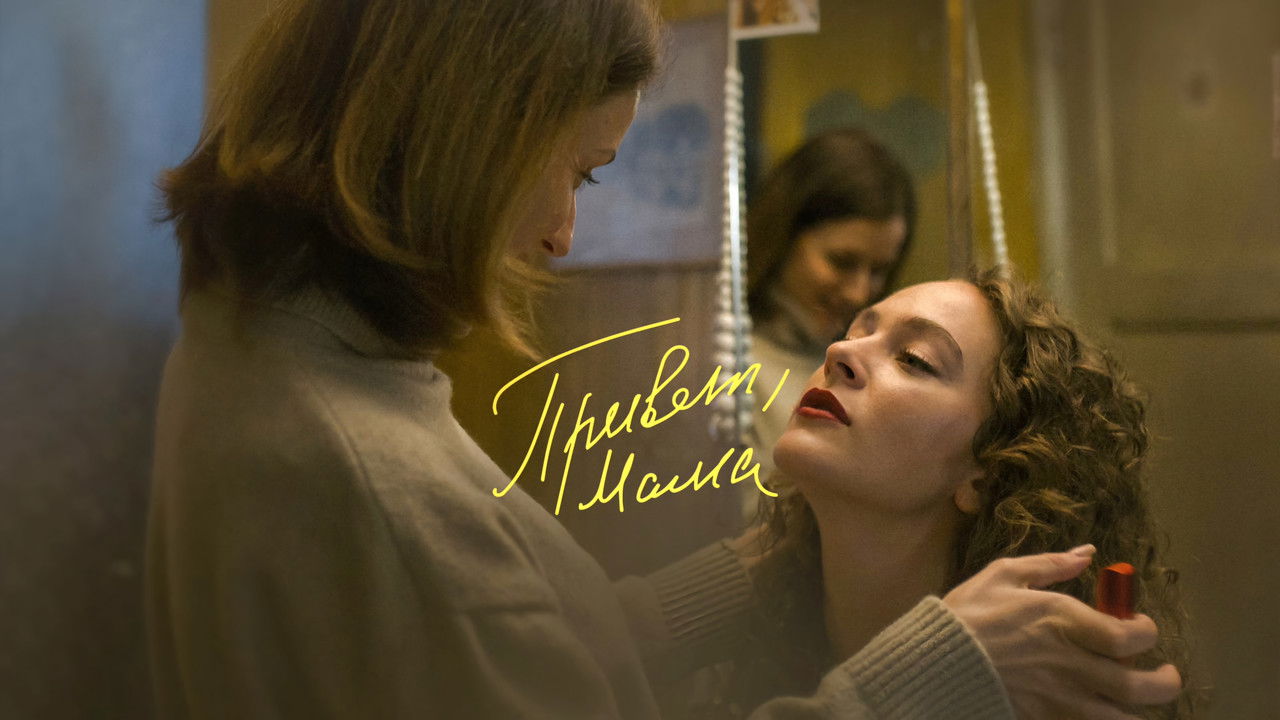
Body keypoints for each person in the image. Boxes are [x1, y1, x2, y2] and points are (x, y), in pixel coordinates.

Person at [145, 1, 1181, 717]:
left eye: (915, 358)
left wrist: (756, 574)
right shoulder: (376, 482)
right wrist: (926, 679)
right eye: (578, 171)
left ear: (991, 470)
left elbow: (509, 657)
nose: (560, 234)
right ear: (471, 141)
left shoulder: (255, 345)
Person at [713, 270, 1192, 718]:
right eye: (855, 333)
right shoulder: (743, 655)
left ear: (986, 476)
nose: (839, 350)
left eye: (914, 359)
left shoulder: (1035, 696)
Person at [745, 129, 914, 481]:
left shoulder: (865, 368)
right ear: (784, 237)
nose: (859, 294)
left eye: (879, 270)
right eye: (841, 262)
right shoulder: (718, 363)